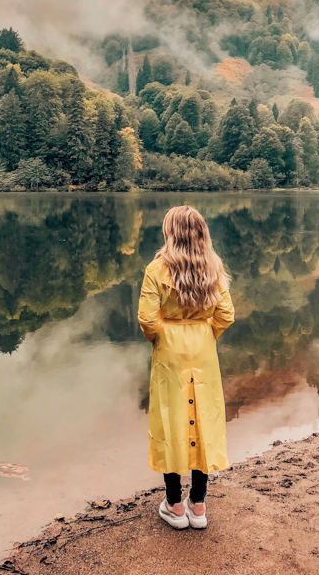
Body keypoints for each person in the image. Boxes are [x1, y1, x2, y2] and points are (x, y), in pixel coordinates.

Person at [138, 205, 235, 530]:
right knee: (202, 421)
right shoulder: (214, 268)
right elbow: (226, 315)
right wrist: (204, 334)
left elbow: (147, 320)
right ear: (201, 234)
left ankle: (175, 506)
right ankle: (199, 504)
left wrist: (166, 337)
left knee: (172, 420)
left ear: (171, 233)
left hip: (170, 352)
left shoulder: (156, 269)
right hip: (203, 351)